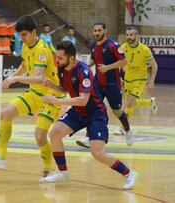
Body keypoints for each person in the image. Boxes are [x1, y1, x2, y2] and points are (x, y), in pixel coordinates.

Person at [39, 41, 138, 190]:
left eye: (59, 58)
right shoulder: (61, 69)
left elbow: (83, 100)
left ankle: (129, 173)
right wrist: (52, 86)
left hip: (95, 114)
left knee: (97, 153)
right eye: (56, 57)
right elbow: (64, 88)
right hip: (78, 111)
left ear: (71, 59)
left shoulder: (83, 71)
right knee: (55, 133)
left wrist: (58, 101)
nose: (56, 60)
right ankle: (63, 172)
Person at [0, 15, 66, 180]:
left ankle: (49, 169)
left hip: (50, 96)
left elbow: (39, 76)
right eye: (20, 35)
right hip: (34, 94)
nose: (22, 38)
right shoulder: (26, 46)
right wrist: (12, 76)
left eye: (25, 35)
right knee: (6, 113)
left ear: (33, 32)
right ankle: (0, 158)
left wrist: (16, 79)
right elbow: (25, 65)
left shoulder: (42, 49)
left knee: (40, 136)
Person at [76, 22, 132, 148]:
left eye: (99, 30)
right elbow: (93, 60)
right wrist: (82, 66)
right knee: (93, 109)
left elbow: (124, 61)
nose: (97, 33)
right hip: (97, 84)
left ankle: (128, 130)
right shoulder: (93, 45)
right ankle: (89, 137)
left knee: (117, 111)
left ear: (105, 31)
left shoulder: (113, 45)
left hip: (113, 85)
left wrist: (108, 67)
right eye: (95, 30)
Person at [120, 27, 158, 125]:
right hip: (127, 79)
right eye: (127, 35)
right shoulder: (123, 47)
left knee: (129, 103)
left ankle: (123, 127)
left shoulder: (144, 49)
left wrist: (151, 81)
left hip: (140, 79)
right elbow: (119, 62)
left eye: (131, 35)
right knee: (129, 104)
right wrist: (119, 76)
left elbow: (154, 65)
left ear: (136, 36)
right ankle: (150, 102)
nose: (128, 37)